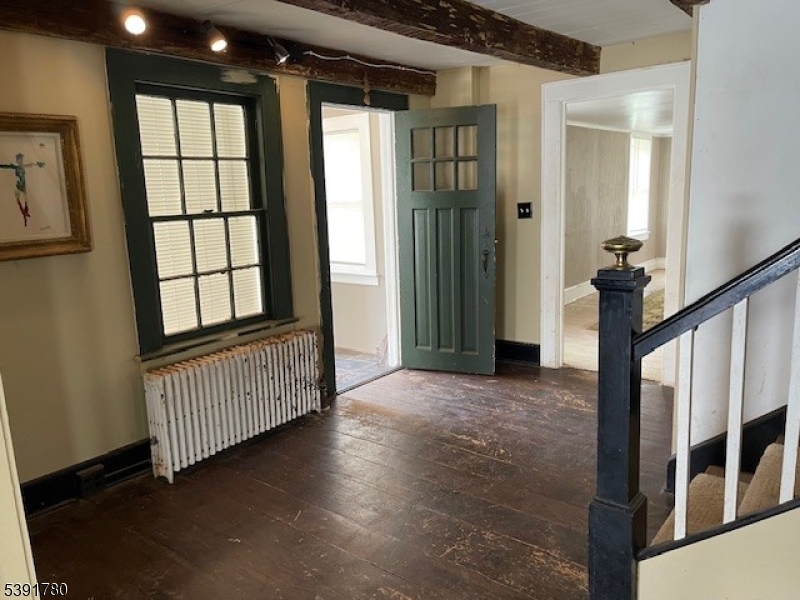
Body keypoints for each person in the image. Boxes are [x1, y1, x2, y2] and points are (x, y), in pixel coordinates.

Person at [0, 152, 45, 227]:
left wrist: (37, 164)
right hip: (18, 187)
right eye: (20, 160)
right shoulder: (16, 167)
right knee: (19, 201)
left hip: (23, 187)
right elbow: (7, 166)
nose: (21, 161)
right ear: (17, 161)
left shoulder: (23, 166)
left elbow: (31, 164)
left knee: (26, 201)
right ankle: (24, 216)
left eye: (22, 160)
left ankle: (25, 214)